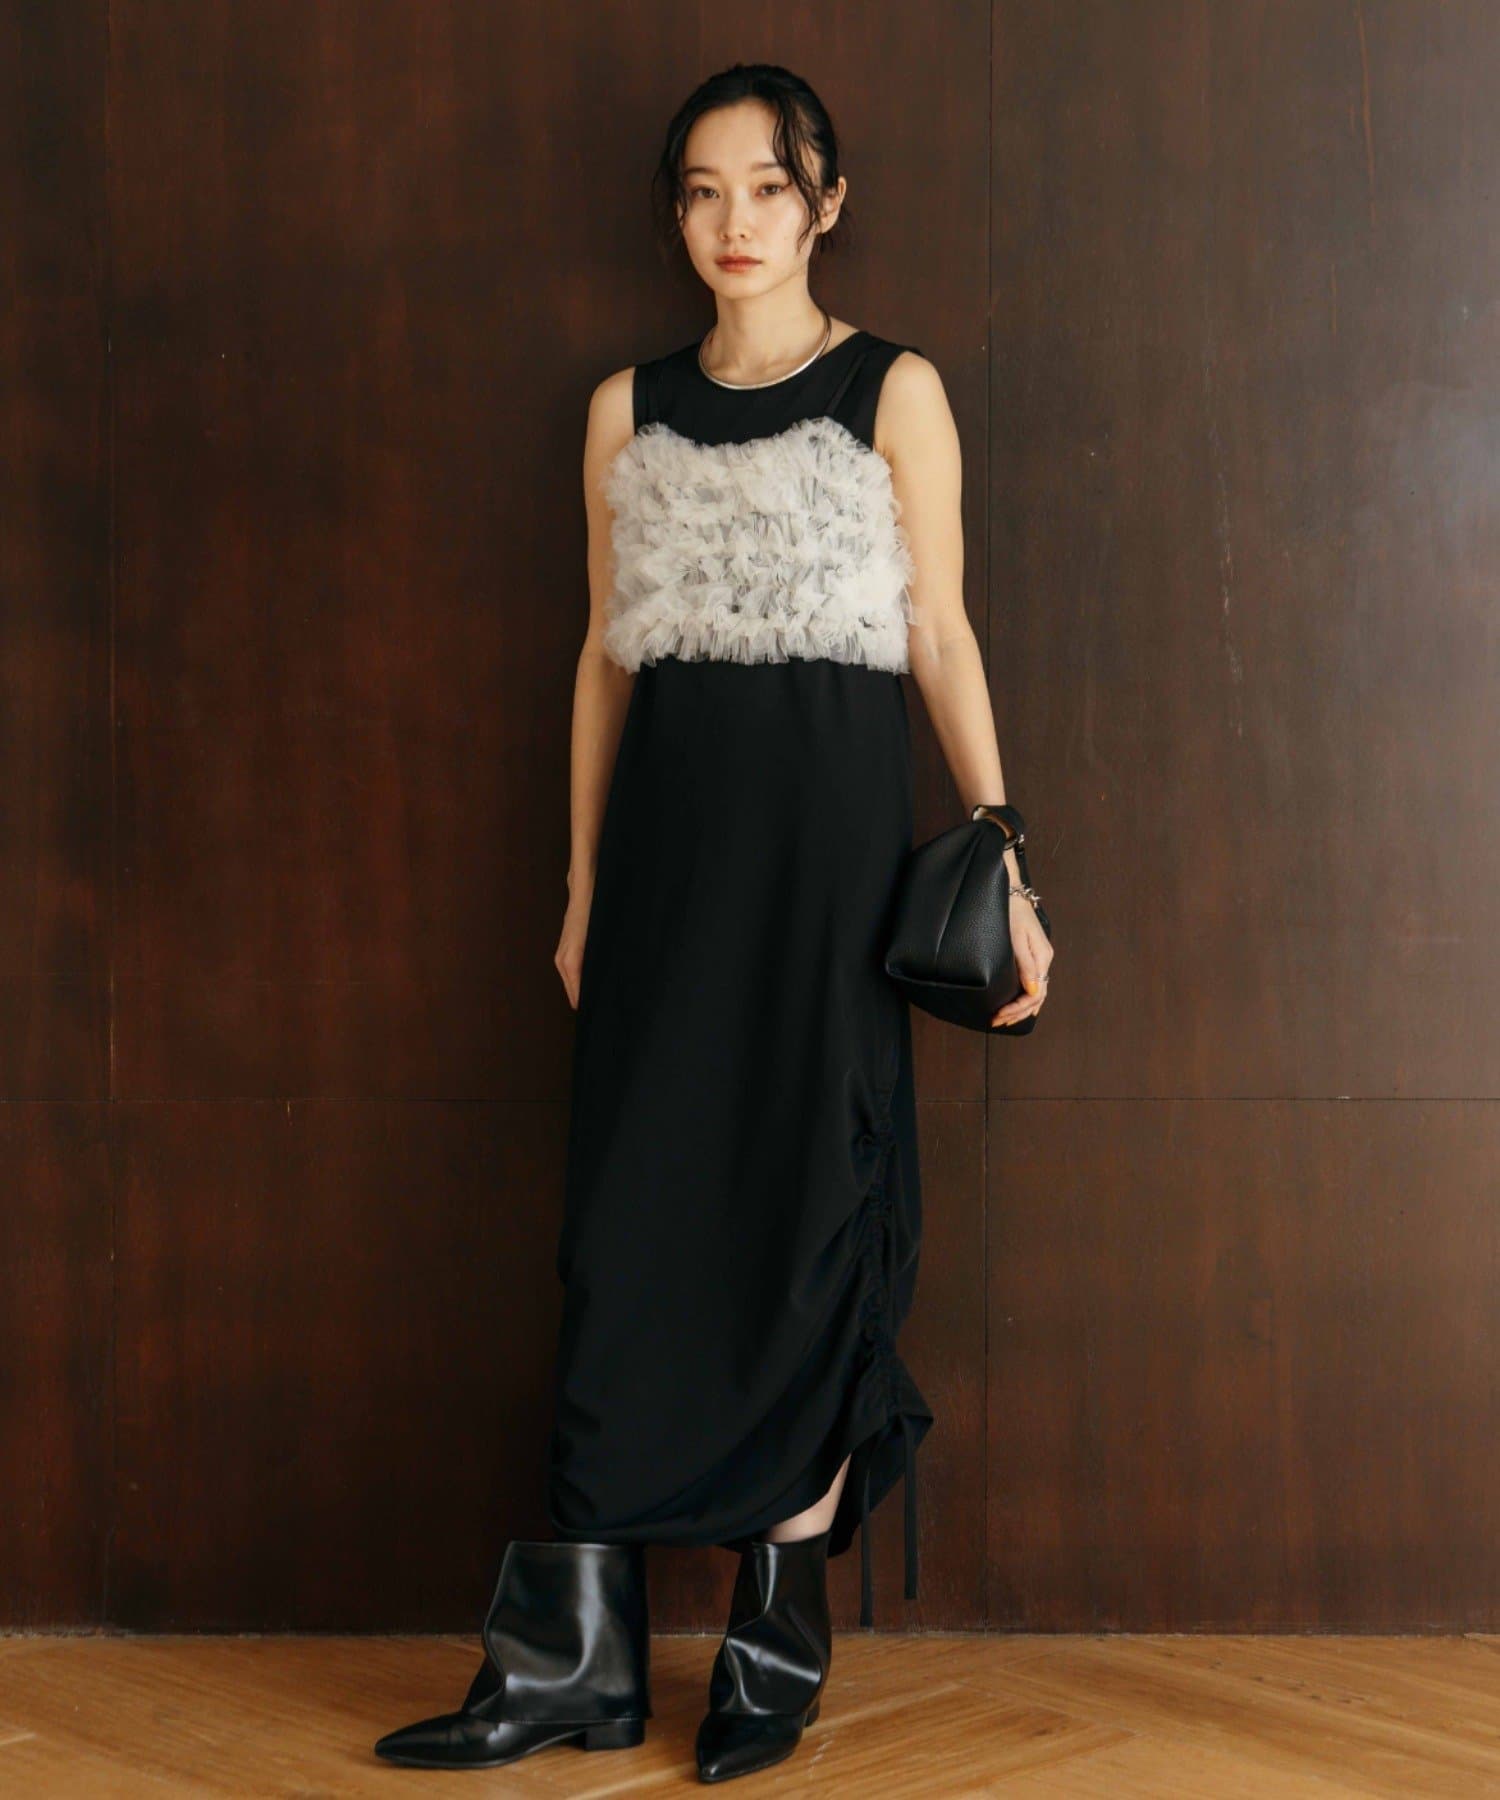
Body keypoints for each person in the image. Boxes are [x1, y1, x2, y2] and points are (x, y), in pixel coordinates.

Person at [374, 60, 1053, 1784]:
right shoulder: (629, 405)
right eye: (701, 190)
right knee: (627, 1232)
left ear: (825, 205)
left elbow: (942, 633)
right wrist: (584, 884)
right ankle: (570, 1665)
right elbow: (604, 659)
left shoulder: (895, 389)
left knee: (810, 1212)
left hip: (830, 887)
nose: (732, 222)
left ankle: (773, 1635)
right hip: (669, 881)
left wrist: (1004, 851)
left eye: (766, 188)